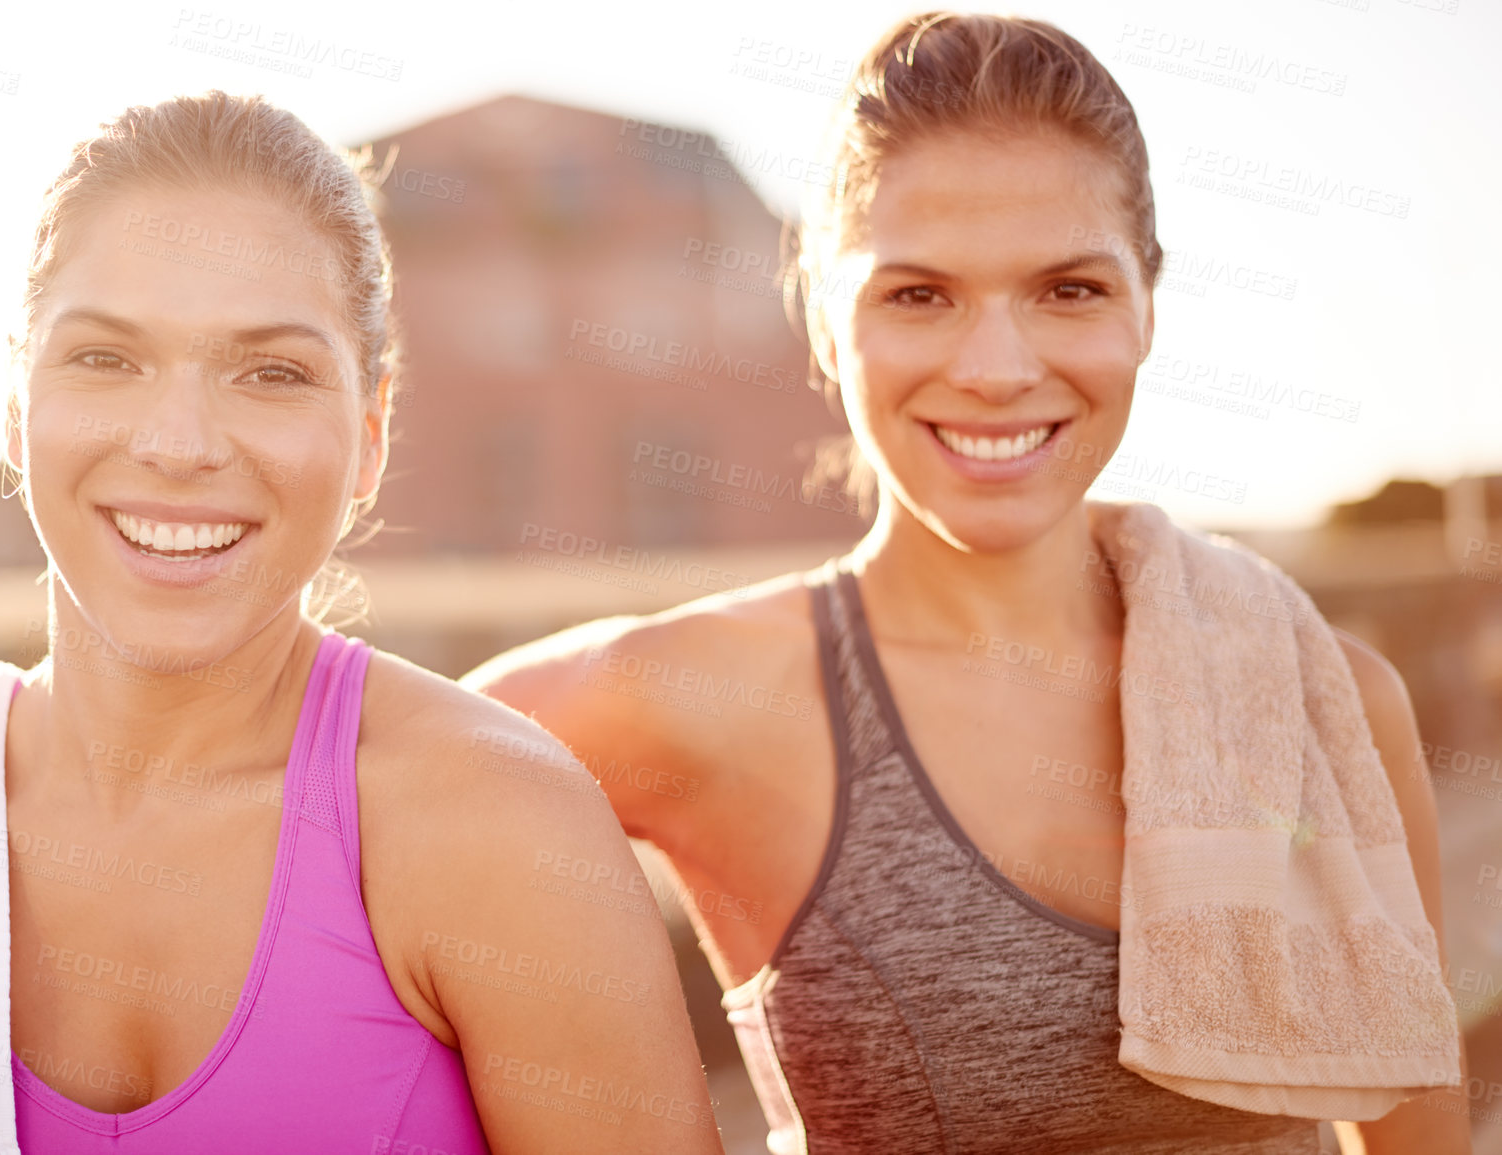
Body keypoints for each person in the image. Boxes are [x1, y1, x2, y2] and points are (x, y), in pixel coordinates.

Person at [464, 14, 1469, 1154]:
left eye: (1069, 290)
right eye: (918, 295)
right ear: (826, 321)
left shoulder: (1322, 702)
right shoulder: (694, 697)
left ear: (1148, 306)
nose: (995, 370)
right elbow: (351, 792)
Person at [0, 92, 721, 1155]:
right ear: (14, 406)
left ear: (370, 438)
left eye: (271, 372)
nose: (179, 443)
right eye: (106, 358)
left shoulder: (498, 828)